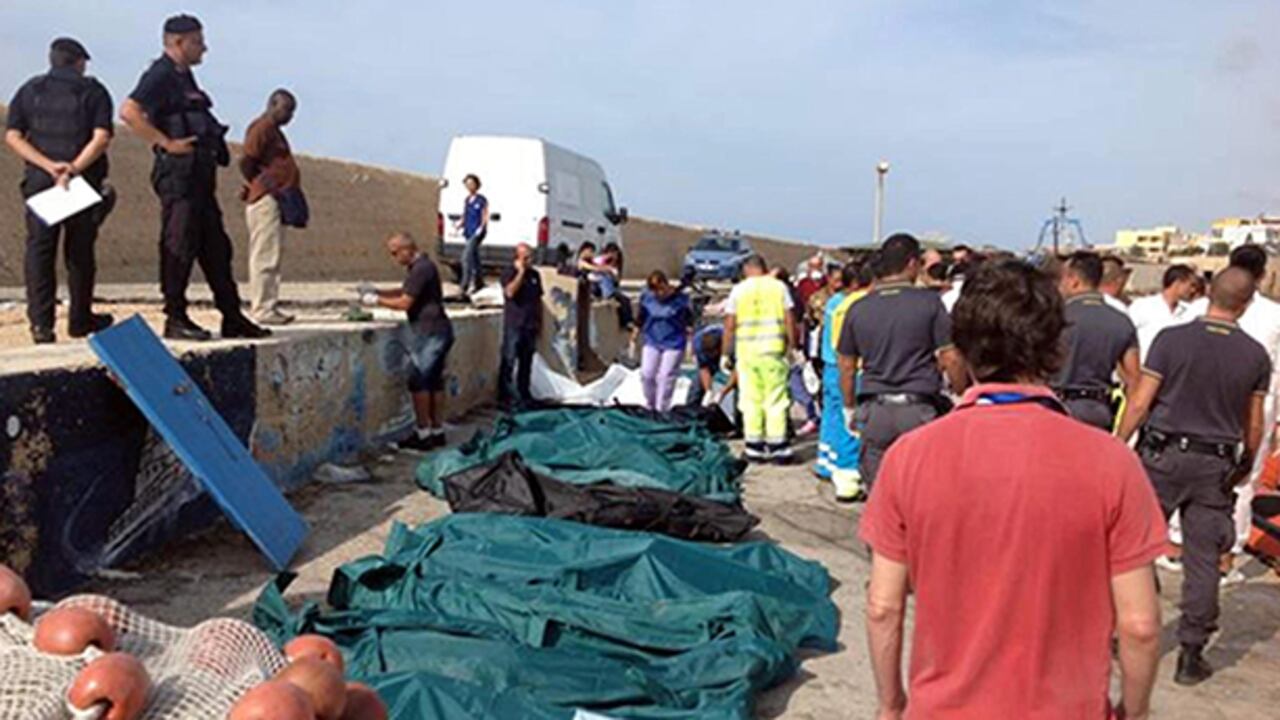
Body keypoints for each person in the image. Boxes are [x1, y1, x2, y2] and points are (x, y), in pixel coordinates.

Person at [861, 259, 1165, 720]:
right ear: (1056, 349)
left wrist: (890, 704)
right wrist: (1135, 710)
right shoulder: (1112, 463)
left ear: (960, 350)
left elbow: (883, 607)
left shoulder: (909, 457)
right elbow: (1140, 625)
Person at [1117, 267, 1269, 686]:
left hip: (1162, 456)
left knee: (1133, 547)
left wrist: (1119, 443)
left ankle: (1124, 629)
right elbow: (1252, 423)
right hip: (1214, 463)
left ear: (1207, 295)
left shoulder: (1171, 339)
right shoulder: (1255, 355)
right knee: (1203, 558)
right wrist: (1247, 461)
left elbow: (1141, 401)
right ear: (1246, 303)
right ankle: (1191, 651)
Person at [120, 14, 268, 341]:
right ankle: (175, 317)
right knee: (179, 243)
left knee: (216, 247)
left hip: (201, 177)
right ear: (177, 42)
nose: (204, 48)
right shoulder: (159, 74)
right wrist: (166, 143)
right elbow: (129, 111)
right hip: (178, 176)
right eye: (198, 42)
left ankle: (231, 316)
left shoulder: (184, 78)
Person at [5, 38, 115, 345]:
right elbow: (102, 137)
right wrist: (72, 169)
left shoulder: (30, 90)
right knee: (79, 253)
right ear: (79, 62)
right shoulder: (93, 90)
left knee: (39, 253)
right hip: (79, 183)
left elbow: (13, 136)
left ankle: (41, 325)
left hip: (42, 182)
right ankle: (80, 319)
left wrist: (48, 166)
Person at [838, 233, 966, 491]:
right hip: (918, 409)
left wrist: (849, 407)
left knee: (880, 494)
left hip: (875, 410)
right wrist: (961, 394)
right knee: (922, 491)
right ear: (911, 264)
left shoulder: (859, 308)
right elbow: (950, 356)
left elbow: (847, 366)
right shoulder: (930, 303)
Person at [361, 232, 454, 451]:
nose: (394, 258)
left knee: (419, 382)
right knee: (435, 382)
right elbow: (406, 290)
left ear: (406, 249)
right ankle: (437, 431)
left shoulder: (421, 269)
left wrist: (376, 301)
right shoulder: (421, 267)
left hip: (430, 332)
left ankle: (423, 435)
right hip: (439, 330)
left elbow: (405, 302)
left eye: (395, 253)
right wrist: (377, 290)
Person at [1053, 251, 1140, 431]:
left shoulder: (1053, 318)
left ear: (1073, 280)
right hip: (1098, 411)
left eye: (1062, 279)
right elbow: (1134, 381)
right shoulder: (1121, 321)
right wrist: (1123, 436)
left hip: (1057, 408)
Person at [722, 255, 796, 462]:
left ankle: (753, 446)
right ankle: (778, 446)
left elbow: (729, 324)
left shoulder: (739, 290)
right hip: (773, 351)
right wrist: (793, 346)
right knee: (775, 399)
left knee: (751, 400)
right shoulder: (779, 287)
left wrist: (725, 353)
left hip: (747, 354)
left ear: (747, 269)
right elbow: (790, 318)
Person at [239, 88, 302, 326]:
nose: (290, 116)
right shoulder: (262, 128)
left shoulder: (274, 132)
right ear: (273, 105)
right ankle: (263, 308)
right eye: (287, 109)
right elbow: (246, 159)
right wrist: (258, 182)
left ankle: (269, 303)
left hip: (276, 198)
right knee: (265, 254)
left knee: (272, 253)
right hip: (266, 199)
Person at [816, 261, 868, 502]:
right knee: (851, 424)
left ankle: (826, 462)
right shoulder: (856, 305)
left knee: (833, 416)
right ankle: (847, 477)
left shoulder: (834, 302)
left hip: (830, 366)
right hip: (849, 368)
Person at [634, 270, 693, 412]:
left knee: (666, 376)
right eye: (655, 291)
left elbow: (689, 322)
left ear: (666, 285)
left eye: (661, 289)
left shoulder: (681, 300)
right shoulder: (647, 299)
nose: (659, 294)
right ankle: (650, 404)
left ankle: (662, 408)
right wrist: (634, 336)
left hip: (674, 342)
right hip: (652, 339)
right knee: (647, 374)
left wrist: (690, 344)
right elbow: (640, 318)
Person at [498, 242, 542, 408]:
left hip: (530, 325)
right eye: (526, 257)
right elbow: (510, 292)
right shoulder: (509, 273)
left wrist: (539, 322)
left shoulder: (535, 275)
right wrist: (520, 272)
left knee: (526, 362)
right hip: (515, 324)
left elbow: (538, 300)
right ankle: (505, 397)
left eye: (531, 256)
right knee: (509, 360)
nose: (529, 260)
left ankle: (525, 394)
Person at [1128, 264, 1198, 361]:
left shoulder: (1191, 312)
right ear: (1178, 283)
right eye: (1191, 285)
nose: (1193, 290)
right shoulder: (1143, 306)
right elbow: (1126, 338)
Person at [455, 173, 488, 299]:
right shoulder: (467, 200)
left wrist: (482, 227)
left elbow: (485, 214)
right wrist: (459, 224)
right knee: (475, 257)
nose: (469, 186)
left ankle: (464, 285)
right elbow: (465, 214)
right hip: (468, 230)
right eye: (467, 184)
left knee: (466, 257)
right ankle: (479, 282)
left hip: (477, 231)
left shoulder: (481, 199)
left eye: (471, 183)